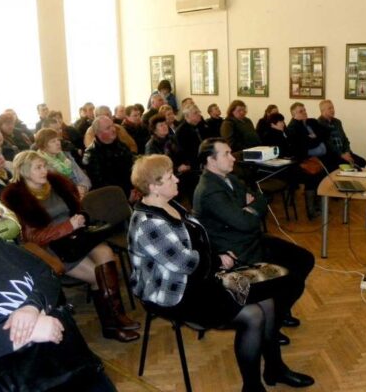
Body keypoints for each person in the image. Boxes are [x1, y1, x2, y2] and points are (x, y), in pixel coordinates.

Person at [128, 154, 314, 392]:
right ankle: (253, 387)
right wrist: (216, 259)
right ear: (153, 187)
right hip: (175, 293)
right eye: (169, 177)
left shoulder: (168, 203)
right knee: (253, 315)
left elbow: (197, 239)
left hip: (198, 279)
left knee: (272, 296)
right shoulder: (147, 223)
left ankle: (275, 368)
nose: (177, 179)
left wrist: (217, 253)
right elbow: (185, 264)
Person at [0, 204, 118, 391]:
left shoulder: (3, 249)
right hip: (1, 378)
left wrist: (32, 306)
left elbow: (47, 275)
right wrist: (27, 333)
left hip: (54, 359)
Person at [1, 151, 140, 342]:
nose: (45, 170)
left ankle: (117, 316)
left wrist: (81, 217)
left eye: (44, 165)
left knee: (107, 253)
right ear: (24, 171)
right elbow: (33, 237)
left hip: (76, 238)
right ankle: (111, 325)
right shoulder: (18, 197)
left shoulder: (55, 184)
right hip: (53, 248)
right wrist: (68, 226)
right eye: (38, 167)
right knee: (98, 276)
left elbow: (76, 207)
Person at [193, 138, 315, 345]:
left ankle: (278, 312)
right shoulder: (209, 190)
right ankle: (272, 325)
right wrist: (249, 208)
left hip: (251, 240)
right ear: (210, 160)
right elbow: (245, 222)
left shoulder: (229, 178)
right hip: (237, 252)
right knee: (292, 279)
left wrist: (250, 206)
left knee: (304, 259)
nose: (233, 157)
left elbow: (260, 197)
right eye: (227, 154)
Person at [286, 102, 328, 219]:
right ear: (294, 114)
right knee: (312, 176)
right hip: (298, 162)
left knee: (322, 171)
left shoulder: (308, 122)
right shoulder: (293, 127)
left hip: (309, 159)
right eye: (301, 111)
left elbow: (324, 134)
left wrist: (315, 137)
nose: (304, 112)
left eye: (304, 110)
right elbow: (304, 146)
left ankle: (318, 205)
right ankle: (311, 211)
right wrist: (315, 138)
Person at [83, 115, 134, 198]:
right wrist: (127, 193)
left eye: (112, 126)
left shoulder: (122, 146)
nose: (113, 129)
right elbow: (100, 184)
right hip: (110, 197)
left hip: (131, 191)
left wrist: (135, 189)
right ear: (98, 133)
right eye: (108, 128)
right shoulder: (91, 155)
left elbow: (132, 169)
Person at [35, 128, 91, 199]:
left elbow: (84, 178)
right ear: (43, 146)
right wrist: (74, 192)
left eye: (58, 140)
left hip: (81, 195)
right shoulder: (41, 165)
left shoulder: (66, 156)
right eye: (53, 141)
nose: (58, 143)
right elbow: (51, 192)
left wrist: (83, 187)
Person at [317, 99, 366, 171]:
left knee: (362, 162)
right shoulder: (318, 124)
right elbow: (328, 145)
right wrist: (341, 155)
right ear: (322, 111)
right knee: (351, 166)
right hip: (333, 156)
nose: (332, 110)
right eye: (329, 108)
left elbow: (345, 139)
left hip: (344, 152)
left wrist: (347, 152)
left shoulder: (337, 122)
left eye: (333, 108)